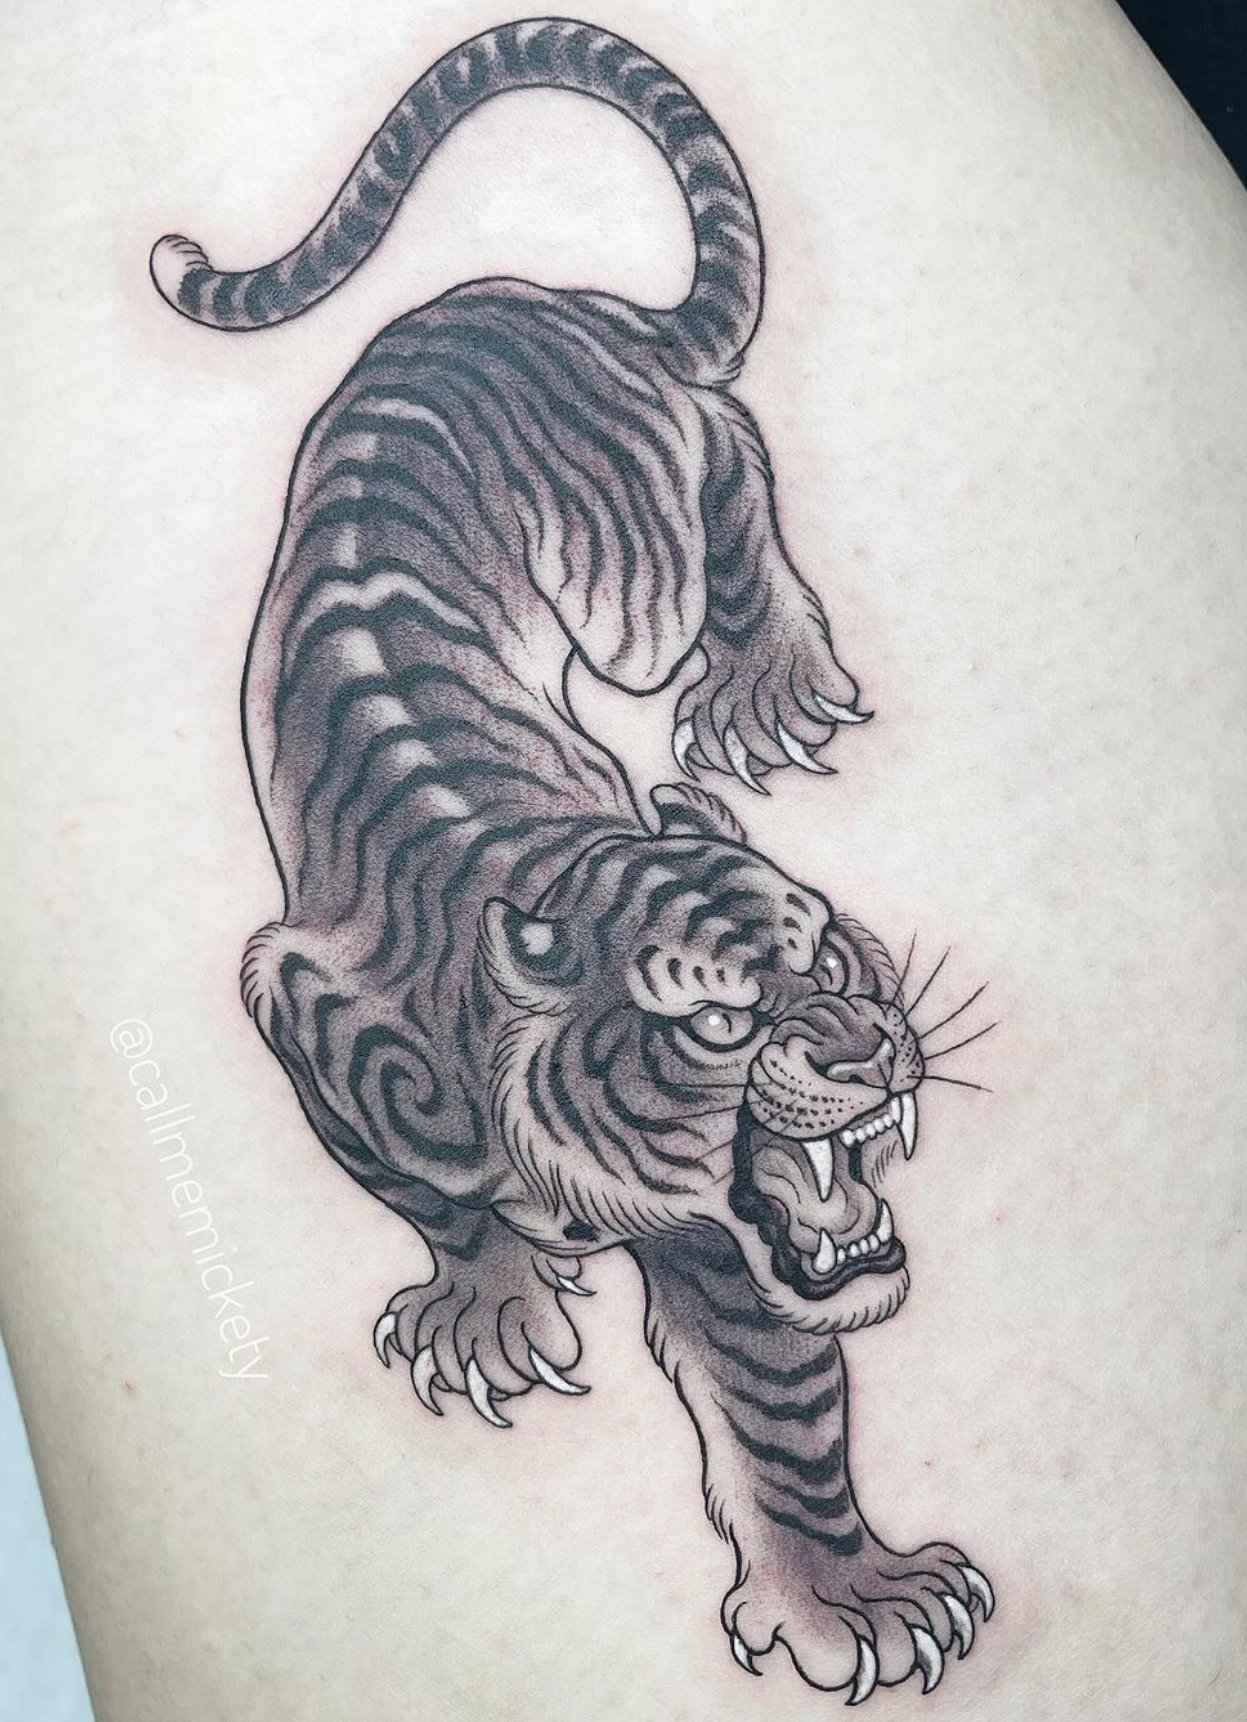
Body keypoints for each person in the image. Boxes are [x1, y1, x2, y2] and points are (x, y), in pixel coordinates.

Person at [0, 1, 1243, 1717]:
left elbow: (722, 1228)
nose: (865, 1043)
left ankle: (737, 569)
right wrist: (475, 1247)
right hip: (507, 509)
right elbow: (290, 985)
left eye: (824, 968)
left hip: (554, 477)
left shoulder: (643, 1038)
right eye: (736, 1012)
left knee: (671, 641)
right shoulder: (425, 1050)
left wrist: (756, 646)